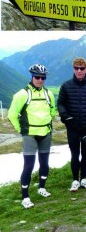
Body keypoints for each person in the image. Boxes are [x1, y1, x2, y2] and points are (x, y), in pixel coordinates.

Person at [8, 64, 56, 209]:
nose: (40, 80)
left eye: (43, 77)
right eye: (37, 77)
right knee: (28, 166)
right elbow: (11, 114)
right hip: (30, 135)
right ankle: (25, 196)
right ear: (32, 77)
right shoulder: (22, 94)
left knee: (45, 163)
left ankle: (41, 187)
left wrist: (48, 122)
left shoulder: (49, 93)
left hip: (45, 133)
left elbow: (52, 110)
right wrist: (21, 130)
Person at [58, 57, 86, 192]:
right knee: (74, 154)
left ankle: (83, 178)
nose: (79, 71)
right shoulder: (66, 86)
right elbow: (60, 103)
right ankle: (75, 180)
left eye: (82, 68)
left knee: (85, 154)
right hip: (72, 127)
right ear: (73, 69)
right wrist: (65, 116)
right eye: (76, 68)